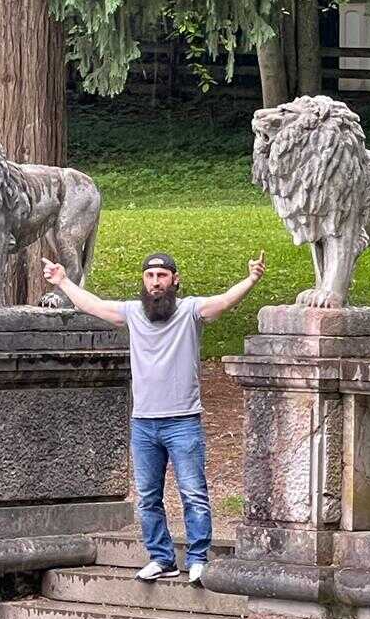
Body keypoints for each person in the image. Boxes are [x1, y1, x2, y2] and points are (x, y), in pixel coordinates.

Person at [41, 250, 266, 587]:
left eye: (162, 276)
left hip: (183, 421)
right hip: (143, 423)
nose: (156, 282)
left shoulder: (190, 311)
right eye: (150, 276)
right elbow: (93, 305)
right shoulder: (133, 313)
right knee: (148, 497)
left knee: (193, 493)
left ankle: (198, 559)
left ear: (175, 280)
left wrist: (251, 279)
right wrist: (62, 281)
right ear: (144, 281)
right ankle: (161, 559)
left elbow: (223, 302)